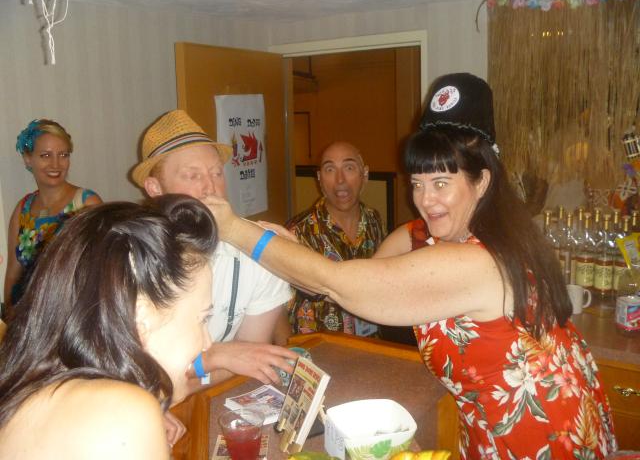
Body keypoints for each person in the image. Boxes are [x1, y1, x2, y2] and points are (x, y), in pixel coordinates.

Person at [204, 73, 617, 459]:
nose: (425, 199)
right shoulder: (458, 233)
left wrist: (236, 229)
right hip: (497, 421)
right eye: (417, 183)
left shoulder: (479, 260)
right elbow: (339, 287)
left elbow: (340, 284)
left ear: (482, 181)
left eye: (441, 183)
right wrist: (286, 251)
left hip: (541, 433)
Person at [0, 195, 216, 458]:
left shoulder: (49, 393)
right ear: (142, 316)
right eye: (202, 318)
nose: (208, 342)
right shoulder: (120, 417)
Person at [131, 110, 297, 388]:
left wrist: (208, 369)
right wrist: (215, 357)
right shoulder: (128, 254)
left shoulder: (260, 251)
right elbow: (135, 376)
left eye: (217, 173)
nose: (210, 187)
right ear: (155, 188)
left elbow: (250, 359)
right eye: (192, 175)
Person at [3, 119, 102, 318]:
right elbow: (13, 273)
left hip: (72, 318)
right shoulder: (23, 208)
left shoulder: (86, 203)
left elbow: (100, 271)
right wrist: (10, 317)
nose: (56, 164)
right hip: (29, 319)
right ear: (28, 159)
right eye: (46, 155)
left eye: (63, 155)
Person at [285, 141, 384, 336]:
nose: (340, 180)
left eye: (349, 168)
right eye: (330, 170)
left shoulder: (374, 220)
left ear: (364, 175)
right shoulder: (298, 232)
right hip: (316, 348)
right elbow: (277, 306)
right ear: (319, 179)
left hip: (371, 343)